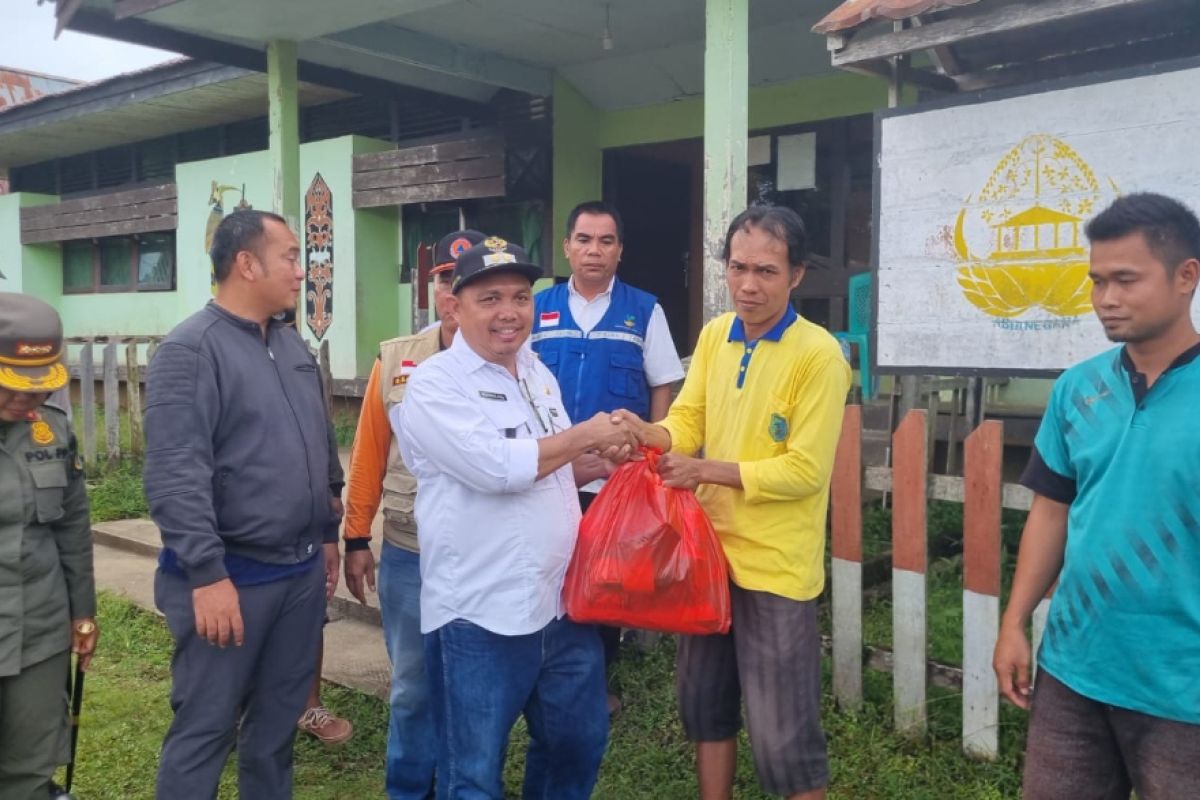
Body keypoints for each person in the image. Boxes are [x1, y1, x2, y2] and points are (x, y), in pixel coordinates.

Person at [616, 206, 850, 800]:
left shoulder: (819, 356)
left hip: (774, 568)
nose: (748, 285)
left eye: (767, 271)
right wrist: (655, 434)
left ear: (797, 275)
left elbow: (804, 469)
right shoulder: (717, 335)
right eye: (738, 268)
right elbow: (691, 416)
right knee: (704, 705)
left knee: (783, 735)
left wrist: (704, 471)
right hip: (707, 556)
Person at [394, 237, 639, 800]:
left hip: (559, 603)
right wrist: (584, 434)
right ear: (455, 308)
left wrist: (598, 460)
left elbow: (546, 468)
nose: (510, 312)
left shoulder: (536, 372)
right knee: (473, 771)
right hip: (481, 615)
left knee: (578, 740)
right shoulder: (434, 384)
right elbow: (496, 469)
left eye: (522, 297)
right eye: (491, 298)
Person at [993, 192, 1200, 800]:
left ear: (1187, 276)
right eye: (1097, 281)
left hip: (1183, 689)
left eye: (1126, 280)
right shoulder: (1077, 389)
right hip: (1073, 671)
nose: (1105, 299)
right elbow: (1052, 511)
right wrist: (1014, 621)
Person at [144, 209, 343, 800]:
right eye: (289, 257)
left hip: (298, 571)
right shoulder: (191, 350)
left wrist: (328, 533)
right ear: (246, 263)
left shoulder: (289, 343)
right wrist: (206, 574)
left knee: (276, 729)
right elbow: (175, 473)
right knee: (206, 726)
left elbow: (320, 440)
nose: (301, 273)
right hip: (230, 578)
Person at [341, 229, 485, 798]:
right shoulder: (398, 359)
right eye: (446, 281)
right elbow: (368, 454)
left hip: (482, 555)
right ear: (435, 290)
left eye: (466, 280)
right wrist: (356, 537)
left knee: (472, 686)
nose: (454, 292)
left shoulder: (516, 360)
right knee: (411, 687)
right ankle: (409, 790)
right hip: (410, 552)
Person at [531, 200, 684, 707]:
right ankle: (544, 674)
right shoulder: (538, 306)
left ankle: (595, 683)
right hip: (552, 472)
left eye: (606, 241)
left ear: (620, 250)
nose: (594, 251)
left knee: (604, 581)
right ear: (566, 246)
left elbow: (662, 385)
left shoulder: (644, 309)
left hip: (614, 478)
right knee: (548, 568)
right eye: (584, 240)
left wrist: (652, 451)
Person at [0, 292, 98, 799]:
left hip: (37, 629)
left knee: (30, 764)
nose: (25, 401)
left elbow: (73, 530)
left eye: (36, 392)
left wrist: (83, 614)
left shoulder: (52, 434)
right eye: (12, 388)